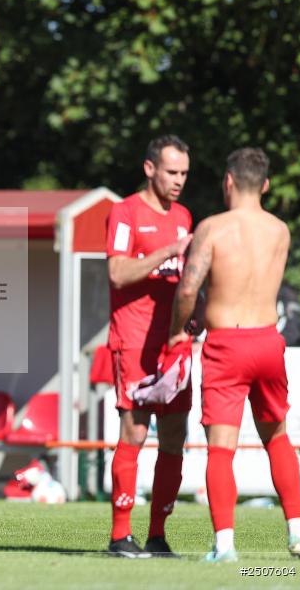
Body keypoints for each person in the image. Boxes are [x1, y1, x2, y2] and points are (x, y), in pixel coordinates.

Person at [167, 148, 300, 562]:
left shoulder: (212, 228)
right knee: (278, 438)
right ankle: (298, 535)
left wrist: (179, 330)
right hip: (268, 340)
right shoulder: (280, 230)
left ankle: (225, 546)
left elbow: (189, 289)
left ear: (228, 181)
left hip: (227, 344)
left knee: (222, 449)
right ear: (265, 185)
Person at [105, 135, 194, 558]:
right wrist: (168, 251)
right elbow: (119, 273)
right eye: (172, 172)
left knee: (175, 435)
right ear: (149, 169)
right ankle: (120, 536)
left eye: (184, 174)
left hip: (173, 345)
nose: (178, 181)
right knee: (136, 432)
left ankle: (157, 535)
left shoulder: (184, 216)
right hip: (134, 341)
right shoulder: (124, 212)